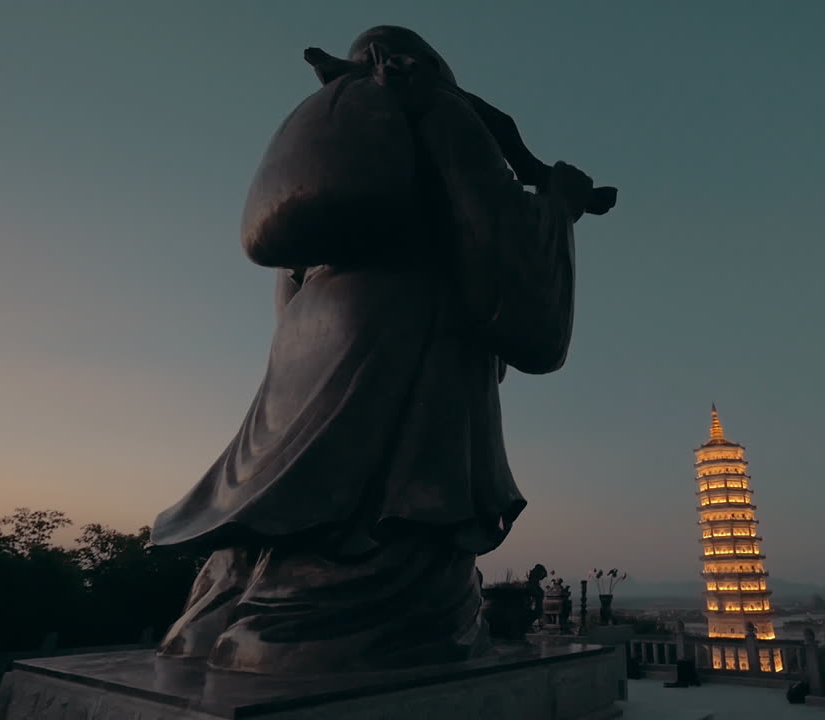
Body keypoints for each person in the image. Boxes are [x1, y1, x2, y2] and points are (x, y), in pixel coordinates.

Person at [148, 25, 594, 674]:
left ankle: (224, 613)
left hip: (310, 338)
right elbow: (502, 269)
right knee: (393, 520)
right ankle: (308, 629)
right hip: (410, 325)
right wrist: (558, 209)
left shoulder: (341, 144)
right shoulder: (438, 112)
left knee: (301, 498)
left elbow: (288, 281)